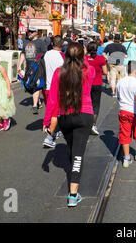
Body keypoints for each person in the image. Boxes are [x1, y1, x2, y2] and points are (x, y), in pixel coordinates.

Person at [43, 42, 95, 207]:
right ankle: (73, 195)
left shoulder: (59, 72)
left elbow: (52, 99)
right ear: (81, 56)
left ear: (65, 56)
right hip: (84, 115)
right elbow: (86, 66)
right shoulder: (89, 71)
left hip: (64, 116)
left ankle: (73, 175)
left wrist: (46, 122)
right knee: (78, 154)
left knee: (73, 149)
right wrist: (83, 54)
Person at [116, 61, 136, 168]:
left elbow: (118, 97)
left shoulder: (120, 82)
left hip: (124, 111)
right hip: (135, 112)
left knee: (124, 134)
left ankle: (126, 158)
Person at [42, 36, 65, 148]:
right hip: (57, 88)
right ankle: (49, 136)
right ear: (62, 45)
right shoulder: (62, 56)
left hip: (46, 86)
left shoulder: (46, 54)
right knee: (55, 113)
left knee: (50, 111)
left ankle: (52, 130)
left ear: (52, 44)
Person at [18, 27, 48, 114]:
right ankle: (37, 101)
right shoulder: (26, 42)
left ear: (36, 33)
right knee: (29, 85)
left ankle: (34, 105)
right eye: (28, 32)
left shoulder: (40, 42)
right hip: (28, 67)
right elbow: (23, 54)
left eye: (31, 32)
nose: (29, 33)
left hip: (38, 67)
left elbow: (44, 54)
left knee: (35, 85)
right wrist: (20, 65)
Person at [87, 41, 108, 136]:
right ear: (96, 49)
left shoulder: (85, 58)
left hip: (87, 84)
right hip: (97, 83)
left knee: (87, 104)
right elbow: (105, 72)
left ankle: (86, 123)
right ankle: (93, 124)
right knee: (96, 105)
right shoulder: (101, 59)